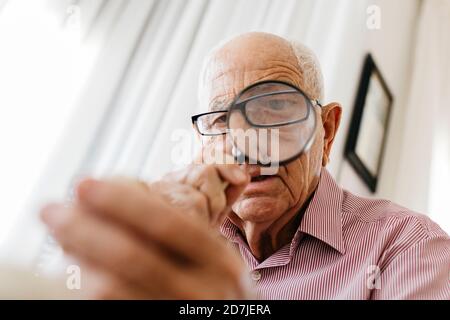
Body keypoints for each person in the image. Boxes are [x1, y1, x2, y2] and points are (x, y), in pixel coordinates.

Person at [41, 32, 450, 299]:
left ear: (325, 131)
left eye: (275, 108)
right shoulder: (170, 232)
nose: (249, 145)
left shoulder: (407, 247)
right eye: (222, 120)